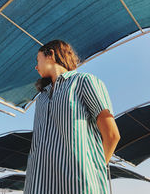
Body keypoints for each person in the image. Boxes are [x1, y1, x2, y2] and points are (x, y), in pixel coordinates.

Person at [23, 40, 120, 194]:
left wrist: (93, 171)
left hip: (78, 186)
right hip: (38, 185)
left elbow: (112, 135)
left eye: (38, 60)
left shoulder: (84, 82)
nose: (36, 67)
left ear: (51, 55)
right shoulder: (41, 98)